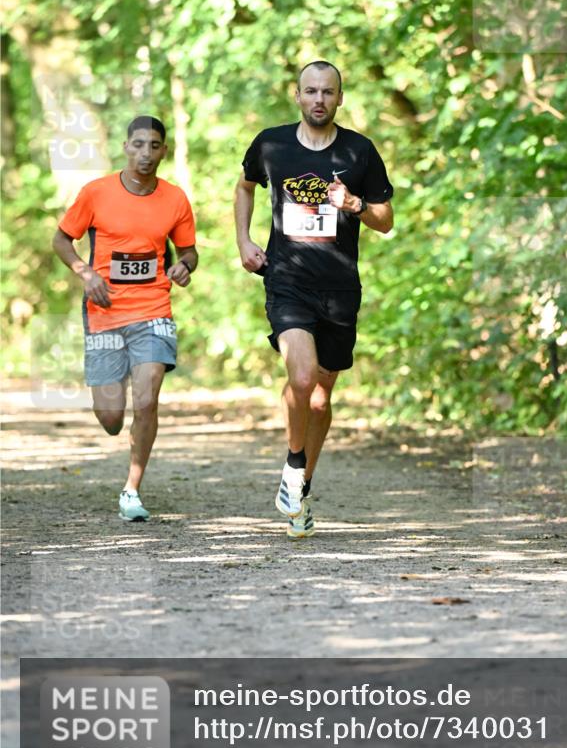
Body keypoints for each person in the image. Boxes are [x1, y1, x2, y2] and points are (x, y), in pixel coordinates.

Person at [234, 60, 393, 540]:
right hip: (287, 281)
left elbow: (386, 220)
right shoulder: (271, 145)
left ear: (339, 98)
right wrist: (243, 241)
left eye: (327, 92)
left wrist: (355, 205)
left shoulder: (360, 151)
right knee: (301, 377)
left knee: (321, 400)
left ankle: (301, 489)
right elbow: (244, 188)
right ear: (297, 95)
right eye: (310, 91)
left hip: (340, 289)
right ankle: (293, 463)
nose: (318, 99)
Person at [52, 115, 198, 522]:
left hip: (153, 309)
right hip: (104, 312)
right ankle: (114, 412)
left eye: (154, 145)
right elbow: (62, 239)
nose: (145, 153)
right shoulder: (96, 193)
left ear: (164, 150)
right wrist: (85, 273)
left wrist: (185, 265)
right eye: (138, 144)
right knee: (111, 417)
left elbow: (188, 250)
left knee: (147, 399)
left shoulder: (175, 199)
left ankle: (132, 489)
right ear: (125, 147)